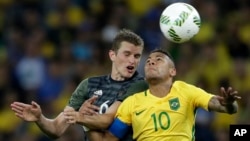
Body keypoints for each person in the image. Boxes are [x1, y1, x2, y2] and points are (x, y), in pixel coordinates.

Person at [10, 28, 145, 141]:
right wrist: (40, 118)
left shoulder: (140, 85)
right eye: (127, 54)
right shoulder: (88, 84)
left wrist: (82, 117)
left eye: (137, 56)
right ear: (112, 55)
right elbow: (57, 129)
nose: (132, 61)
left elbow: (108, 119)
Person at [98, 48, 241, 141]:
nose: (151, 62)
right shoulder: (132, 102)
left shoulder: (185, 90)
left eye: (158, 59)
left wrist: (229, 104)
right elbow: (110, 138)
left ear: (172, 71)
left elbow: (226, 107)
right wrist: (86, 123)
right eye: (148, 61)